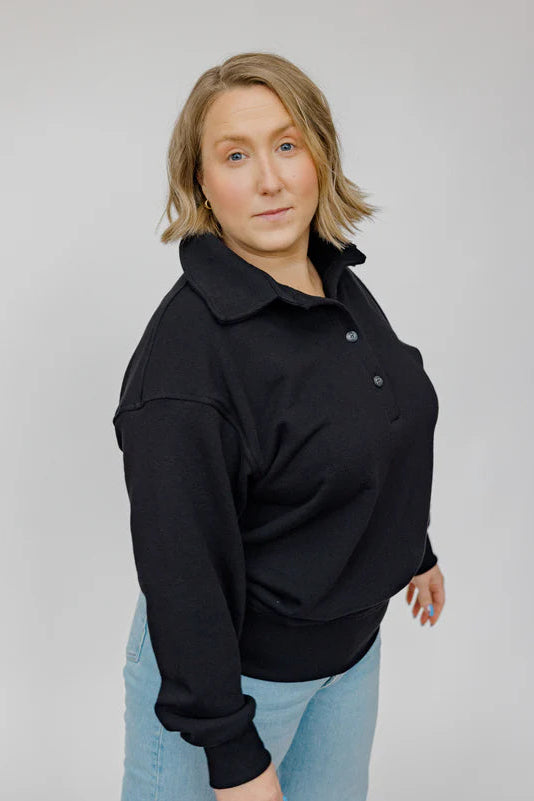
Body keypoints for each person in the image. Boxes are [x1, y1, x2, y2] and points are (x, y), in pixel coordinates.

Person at [112, 51, 446, 801]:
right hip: (228, 685)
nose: (269, 179)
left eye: (287, 144)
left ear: (319, 156)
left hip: (348, 660)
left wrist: (409, 546)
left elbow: (368, 422)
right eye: (236, 155)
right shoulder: (183, 367)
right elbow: (182, 570)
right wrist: (231, 751)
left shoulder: (331, 280)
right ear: (201, 181)